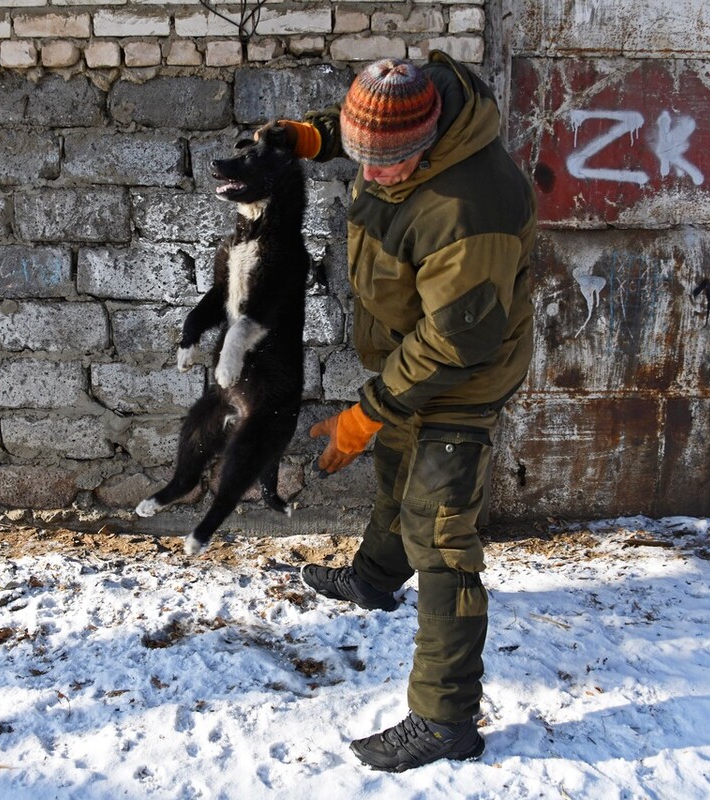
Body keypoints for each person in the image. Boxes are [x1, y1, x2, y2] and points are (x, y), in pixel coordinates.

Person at [264, 53, 536, 772]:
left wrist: (366, 413)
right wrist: (310, 137)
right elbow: (367, 135)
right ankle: (375, 579)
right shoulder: (411, 113)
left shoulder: (469, 208)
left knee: (440, 536)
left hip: (463, 376)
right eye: (365, 161)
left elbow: (456, 342)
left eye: (389, 166)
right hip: (410, 360)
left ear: (428, 142)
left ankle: (446, 720)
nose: (374, 176)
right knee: (397, 472)